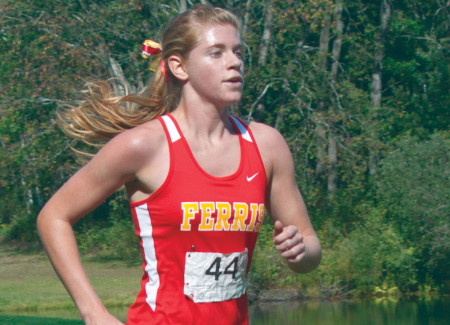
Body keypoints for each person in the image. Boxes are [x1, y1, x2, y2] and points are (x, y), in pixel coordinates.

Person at [37, 4, 321, 325]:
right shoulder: (144, 146)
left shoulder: (267, 145)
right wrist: (94, 313)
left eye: (238, 52)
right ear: (179, 67)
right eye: (216, 53)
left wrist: (300, 252)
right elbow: (53, 217)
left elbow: (310, 250)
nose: (235, 62)